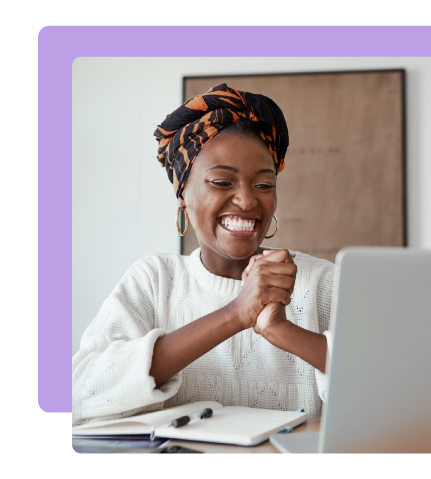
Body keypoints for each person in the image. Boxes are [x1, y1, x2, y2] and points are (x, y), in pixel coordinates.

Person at [72, 84, 334, 426]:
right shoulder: (154, 280)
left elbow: (389, 391)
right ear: (183, 195)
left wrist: (281, 330)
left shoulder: (322, 282)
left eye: (264, 185)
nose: (246, 201)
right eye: (222, 182)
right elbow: (80, 395)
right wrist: (236, 314)